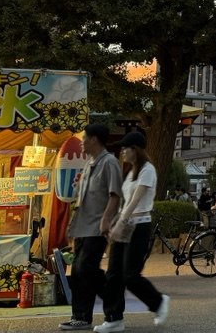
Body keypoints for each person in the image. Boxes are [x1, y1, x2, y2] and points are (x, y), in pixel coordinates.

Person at [101, 131, 168, 332]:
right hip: (126, 223)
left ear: (135, 149)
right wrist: (115, 221)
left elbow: (136, 200)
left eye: (125, 148)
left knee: (130, 275)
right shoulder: (131, 172)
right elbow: (125, 203)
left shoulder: (148, 170)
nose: (122, 151)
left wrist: (121, 222)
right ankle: (113, 318)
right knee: (113, 274)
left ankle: (158, 302)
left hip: (139, 225)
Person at [60, 123, 124, 332]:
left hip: (97, 226)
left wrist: (106, 220)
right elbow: (81, 197)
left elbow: (115, 194)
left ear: (94, 139)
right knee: (77, 272)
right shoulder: (89, 163)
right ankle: (80, 317)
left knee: (85, 267)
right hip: (82, 226)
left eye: (84, 138)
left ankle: (114, 307)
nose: (82, 143)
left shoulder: (110, 163)